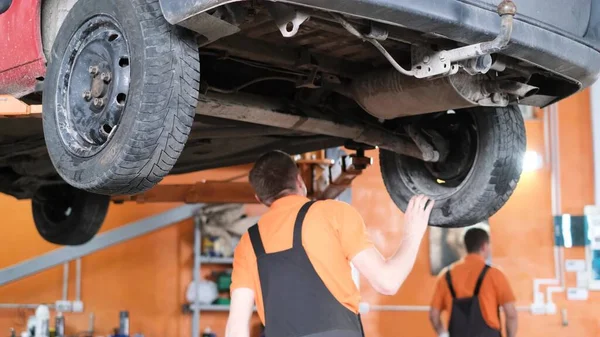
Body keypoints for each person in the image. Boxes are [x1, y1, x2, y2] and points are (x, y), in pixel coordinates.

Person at [225, 150, 434, 337]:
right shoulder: (332, 213)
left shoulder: (248, 243)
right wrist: (412, 233)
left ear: (259, 198)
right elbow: (387, 282)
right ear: (299, 181)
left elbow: (235, 329)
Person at [429, 227, 518, 337]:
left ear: (466, 246)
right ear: (484, 246)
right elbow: (511, 314)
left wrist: (443, 334)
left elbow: (433, 314)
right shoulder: (495, 274)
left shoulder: (446, 276)